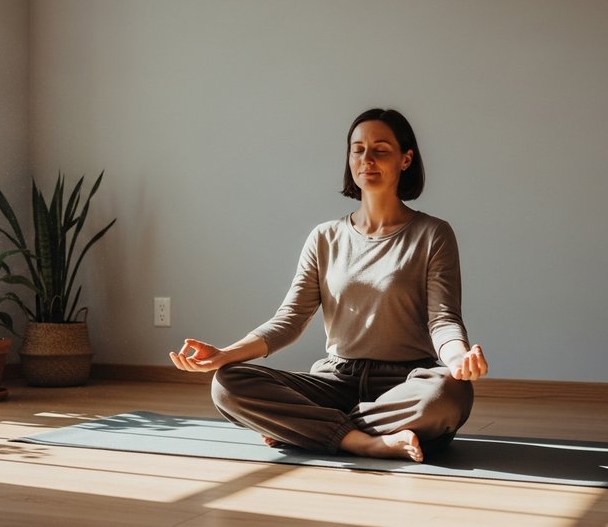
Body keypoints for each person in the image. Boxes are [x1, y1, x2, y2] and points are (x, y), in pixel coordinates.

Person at [169, 108, 488, 463]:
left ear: (406, 159)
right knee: (227, 384)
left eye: (381, 150)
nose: (367, 159)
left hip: (405, 382)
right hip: (336, 379)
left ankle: (312, 430)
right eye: (358, 149)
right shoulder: (324, 237)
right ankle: (364, 442)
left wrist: (458, 359)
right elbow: (289, 320)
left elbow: (443, 318)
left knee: (449, 393)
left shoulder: (433, 234)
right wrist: (225, 354)